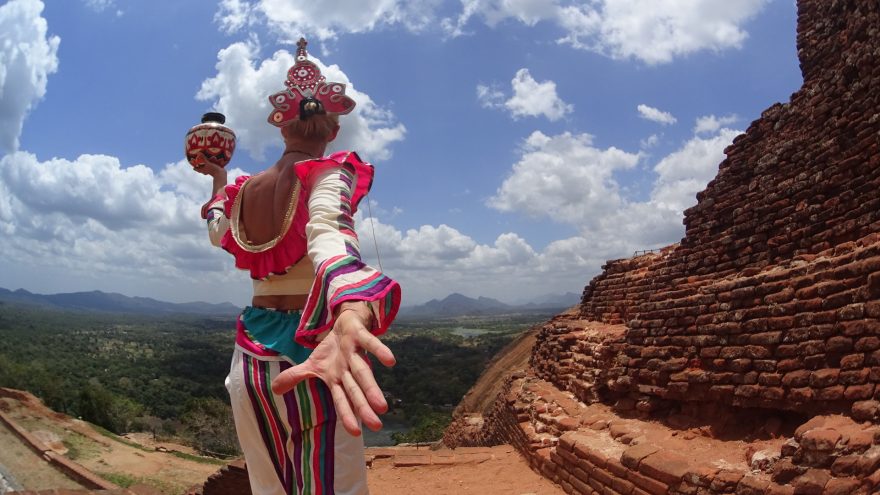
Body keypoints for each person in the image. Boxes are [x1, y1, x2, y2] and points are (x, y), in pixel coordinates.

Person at [195, 38, 401, 495]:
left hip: (249, 359)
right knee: (333, 485)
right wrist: (349, 300)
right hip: (312, 353)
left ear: (281, 128)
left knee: (268, 484)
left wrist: (218, 180)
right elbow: (331, 232)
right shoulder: (329, 172)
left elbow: (215, 228)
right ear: (331, 129)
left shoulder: (242, 191)